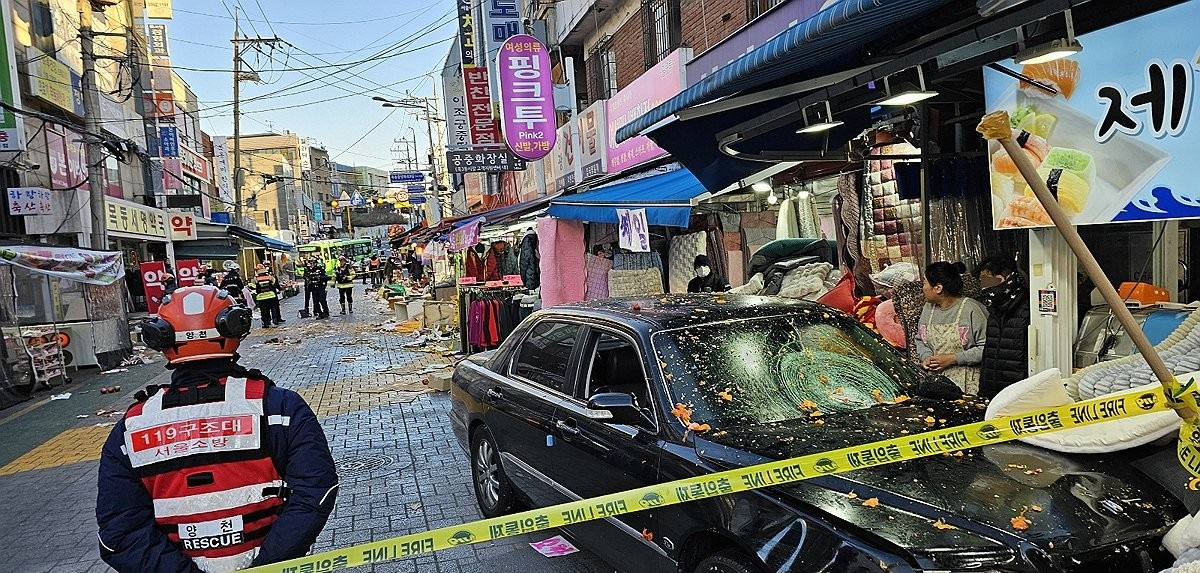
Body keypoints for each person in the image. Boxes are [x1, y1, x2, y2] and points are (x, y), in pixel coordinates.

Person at [97, 286, 338, 573]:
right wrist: (268, 566)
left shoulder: (132, 427)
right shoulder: (278, 407)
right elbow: (316, 491)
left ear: (160, 338)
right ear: (234, 328)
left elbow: (120, 532)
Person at [914, 261, 990, 394]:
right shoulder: (928, 309)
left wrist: (953, 358)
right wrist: (926, 357)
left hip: (968, 384)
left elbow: (987, 348)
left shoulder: (972, 309)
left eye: (924, 283)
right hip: (937, 383)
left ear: (938, 288)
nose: (923, 288)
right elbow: (920, 339)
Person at [977, 254, 1031, 399]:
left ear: (1010, 279)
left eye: (992, 280)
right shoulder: (993, 310)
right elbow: (988, 356)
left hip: (1019, 395)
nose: (987, 287)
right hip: (991, 393)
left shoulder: (1030, 309)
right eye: (984, 281)